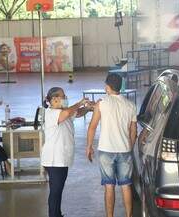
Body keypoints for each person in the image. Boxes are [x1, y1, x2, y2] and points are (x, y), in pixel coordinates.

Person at [86, 73, 137, 217]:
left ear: (108, 87)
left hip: (106, 150)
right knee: (126, 186)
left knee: (109, 187)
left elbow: (92, 127)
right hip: (124, 150)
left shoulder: (101, 103)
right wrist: (129, 147)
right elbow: (133, 131)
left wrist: (89, 146)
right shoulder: (130, 105)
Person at [41, 87, 93, 217]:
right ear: (54, 100)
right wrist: (79, 103)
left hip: (62, 158)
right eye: (63, 96)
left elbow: (77, 113)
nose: (65, 98)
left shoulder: (63, 110)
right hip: (54, 159)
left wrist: (89, 107)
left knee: (58, 190)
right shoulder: (51, 113)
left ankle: (57, 214)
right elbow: (68, 113)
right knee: (55, 191)